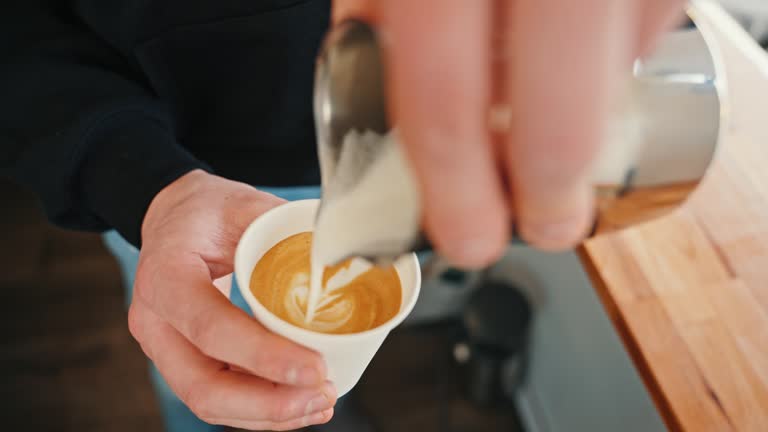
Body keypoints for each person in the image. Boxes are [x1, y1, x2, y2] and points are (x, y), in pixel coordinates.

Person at [1, 0, 685, 431]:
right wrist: (139, 180)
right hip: (169, 178)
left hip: (398, 164)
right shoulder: (156, 187)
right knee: (200, 369)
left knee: (315, 385)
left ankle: (321, 411)